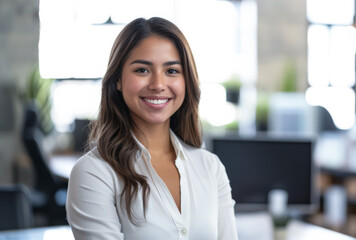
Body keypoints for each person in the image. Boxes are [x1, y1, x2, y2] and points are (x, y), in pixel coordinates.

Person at [66, 17, 238, 240]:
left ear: (187, 81)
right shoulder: (94, 173)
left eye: (172, 71)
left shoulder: (211, 168)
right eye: (142, 70)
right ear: (118, 79)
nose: (158, 84)